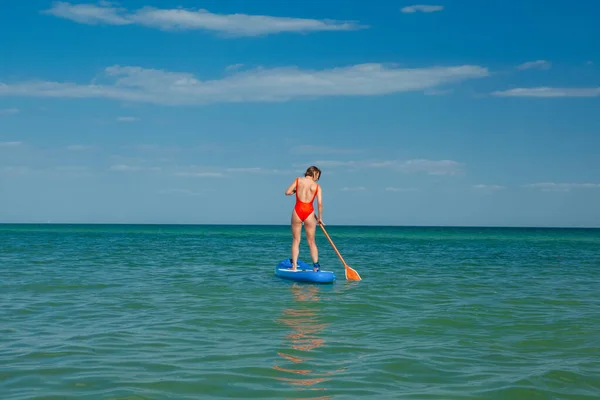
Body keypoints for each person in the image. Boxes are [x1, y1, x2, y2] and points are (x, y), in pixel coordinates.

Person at [285, 166, 323, 272]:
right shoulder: (317, 186)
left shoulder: (298, 180)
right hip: (309, 212)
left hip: (298, 210)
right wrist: (319, 218)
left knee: (296, 240)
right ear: (314, 173)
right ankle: (316, 267)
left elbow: (287, 192)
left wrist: (295, 191)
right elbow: (319, 204)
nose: (317, 179)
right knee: (311, 241)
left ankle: (294, 266)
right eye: (317, 176)